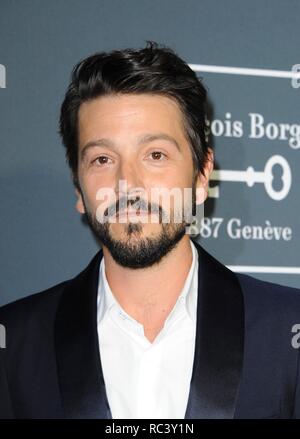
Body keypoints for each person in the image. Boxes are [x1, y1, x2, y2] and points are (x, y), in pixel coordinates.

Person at [0, 41, 300, 419]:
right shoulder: (13, 342)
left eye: (155, 155)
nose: (128, 184)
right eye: (103, 159)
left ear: (202, 176)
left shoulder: (288, 329)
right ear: (79, 189)